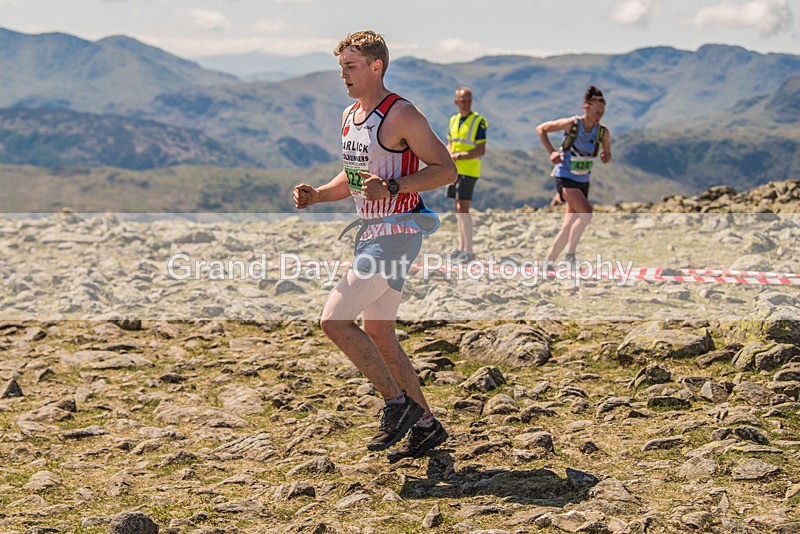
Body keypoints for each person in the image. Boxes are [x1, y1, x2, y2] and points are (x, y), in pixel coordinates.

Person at [293, 31, 455, 459]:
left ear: (376, 66)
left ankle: (396, 404)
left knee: (333, 320)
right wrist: (318, 195)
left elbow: (446, 170)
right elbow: (354, 178)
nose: (343, 75)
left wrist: (398, 184)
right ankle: (425, 425)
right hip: (372, 236)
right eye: (341, 67)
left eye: (351, 66)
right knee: (379, 331)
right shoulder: (350, 115)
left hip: (398, 235)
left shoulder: (402, 114)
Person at [536, 85, 611, 272]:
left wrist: (605, 156)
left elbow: (607, 154)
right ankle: (570, 256)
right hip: (565, 177)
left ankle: (549, 262)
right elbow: (541, 129)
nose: (598, 116)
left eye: (601, 113)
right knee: (586, 214)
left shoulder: (602, 132)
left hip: (583, 180)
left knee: (569, 224)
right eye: (596, 112)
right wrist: (551, 152)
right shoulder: (572, 124)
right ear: (586, 107)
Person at [446, 87, 488, 262]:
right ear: (456, 101)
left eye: (468, 99)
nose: (466, 102)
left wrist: (459, 156)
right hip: (455, 170)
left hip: (469, 170)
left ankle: (469, 251)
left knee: (464, 209)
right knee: (458, 209)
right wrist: (448, 158)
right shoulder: (454, 120)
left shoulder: (478, 121)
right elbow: (450, 143)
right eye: (462, 99)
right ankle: (462, 247)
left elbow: (481, 149)